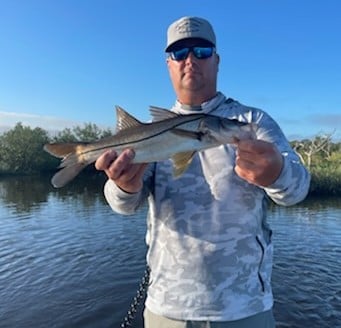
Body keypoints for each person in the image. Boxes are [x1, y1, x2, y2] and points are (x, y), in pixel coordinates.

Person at [95, 16, 310, 328]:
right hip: (166, 309)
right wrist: (123, 186)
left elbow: (299, 189)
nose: (190, 61)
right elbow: (124, 205)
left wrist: (276, 173)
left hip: (245, 309)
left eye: (202, 51)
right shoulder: (152, 132)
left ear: (217, 61)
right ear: (168, 65)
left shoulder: (252, 122)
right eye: (179, 54)